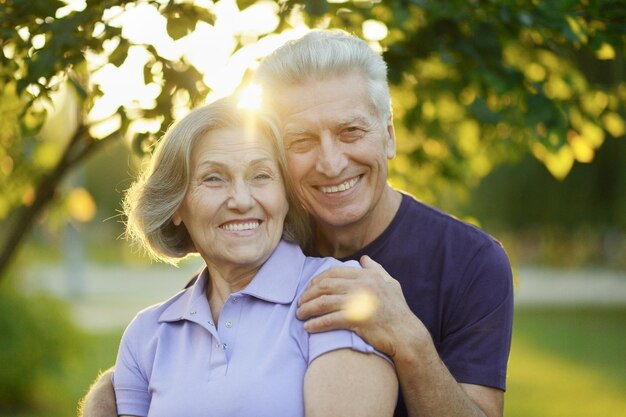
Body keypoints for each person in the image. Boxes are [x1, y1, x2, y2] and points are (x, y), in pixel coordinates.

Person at [81, 29, 513, 417]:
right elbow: (183, 356)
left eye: (350, 132)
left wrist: (408, 340)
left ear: (389, 134)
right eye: (302, 140)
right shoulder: (255, 237)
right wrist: (116, 389)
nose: (331, 162)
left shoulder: (471, 260)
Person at [105, 96, 397, 417]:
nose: (242, 200)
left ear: (286, 198)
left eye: (261, 176)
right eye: (214, 178)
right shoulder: (147, 333)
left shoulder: (335, 292)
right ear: (176, 205)